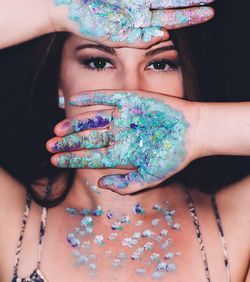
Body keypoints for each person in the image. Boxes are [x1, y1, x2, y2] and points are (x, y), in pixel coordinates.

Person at [0, 0, 249, 281]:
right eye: (99, 62)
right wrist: (51, 11)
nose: (132, 91)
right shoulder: (10, 222)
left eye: (159, 64)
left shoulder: (235, 227)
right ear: (59, 83)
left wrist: (203, 127)